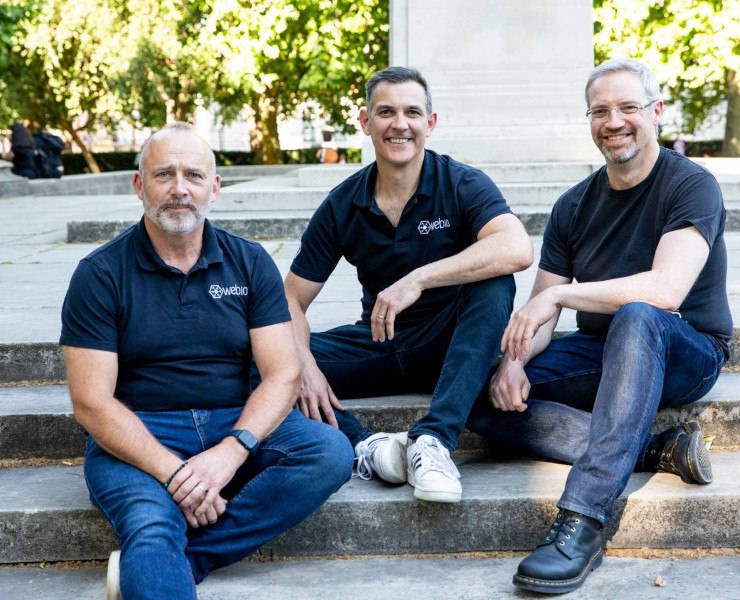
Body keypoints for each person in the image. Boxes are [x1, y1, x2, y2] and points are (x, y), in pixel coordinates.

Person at [467, 58, 732, 594]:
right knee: (478, 393)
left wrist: (564, 294)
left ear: (656, 112)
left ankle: (584, 520)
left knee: (639, 314)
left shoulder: (691, 186)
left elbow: (664, 292)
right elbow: (542, 312)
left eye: (629, 107)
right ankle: (656, 448)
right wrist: (514, 362)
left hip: (687, 349)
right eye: (601, 111)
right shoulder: (573, 205)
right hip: (602, 350)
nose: (614, 121)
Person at [60, 122, 353, 600]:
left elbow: (283, 374)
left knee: (330, 452)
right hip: (139, 433)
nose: (180, 189)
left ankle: (181, 558)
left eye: (194, 176)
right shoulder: (99, 273)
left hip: (233, 419)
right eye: (164, 175)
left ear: (214, 188)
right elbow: (91, 402)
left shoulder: (250, 262)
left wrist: (232, 451)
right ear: (140, 185)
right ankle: (160, 551)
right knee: (152, 527)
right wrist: (175, 474)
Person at [284, 66, 533, 504]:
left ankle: (434, 441)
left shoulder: (460, 182)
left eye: (412, 112)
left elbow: (516, 247)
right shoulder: (343, 203)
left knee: (495, 283)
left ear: (430, 124)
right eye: (386, 112)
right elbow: (290, 299)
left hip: (450, 344)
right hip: (379, 344)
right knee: (258, 358)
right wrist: (302, 362)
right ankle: (369, 448)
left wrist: (419, 279)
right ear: (366, 123)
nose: (400, 124)